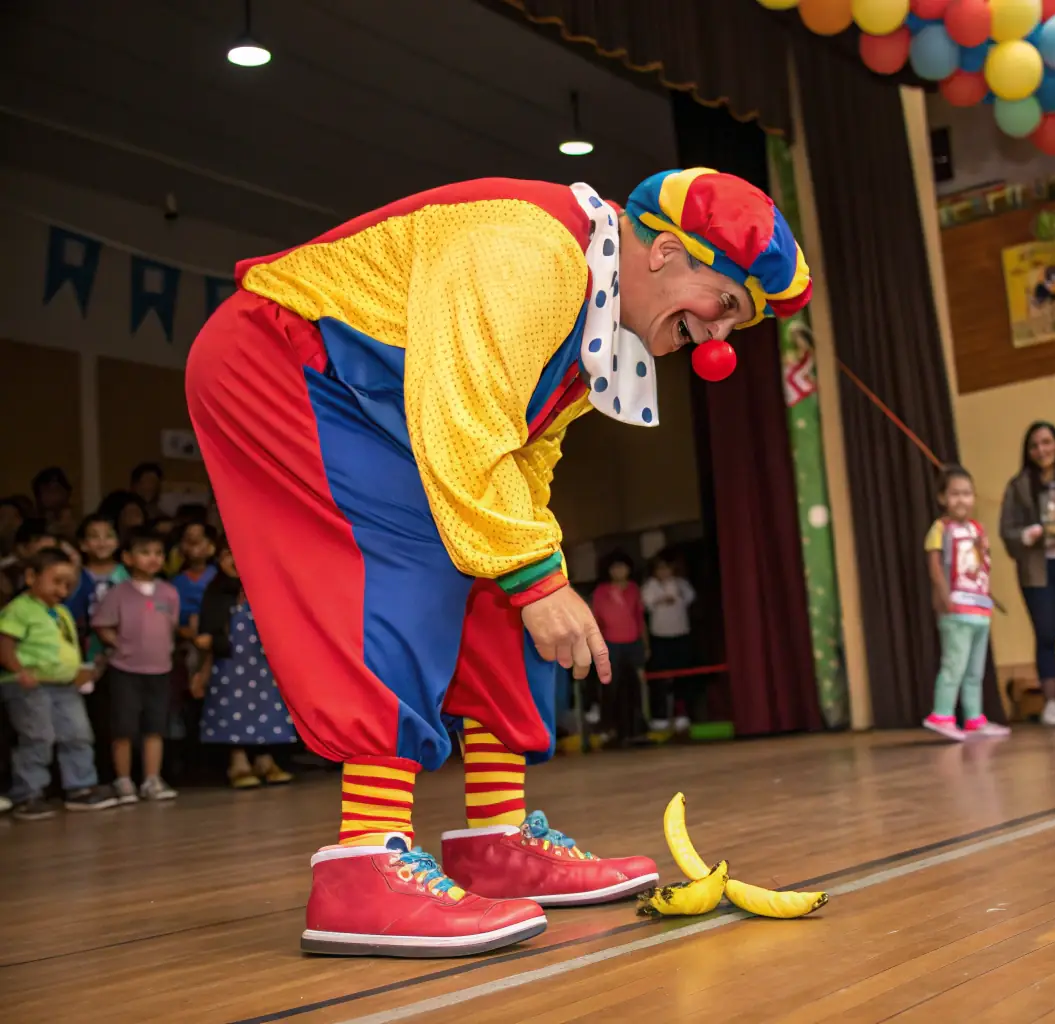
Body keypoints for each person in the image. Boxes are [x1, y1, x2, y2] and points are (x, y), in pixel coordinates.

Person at [184, 168, 811, 956]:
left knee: (506, 577)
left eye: (735, 326)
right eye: (724, 306)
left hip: (385, 401)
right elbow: (466, 421)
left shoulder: (589, 325)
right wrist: (534, 575)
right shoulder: (533, 251)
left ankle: (496, 839)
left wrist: (535, 572)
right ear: (664, 253)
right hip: (284, 357)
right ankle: (362, 868)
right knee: (414, 559)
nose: (718, 341)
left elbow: (522, 460)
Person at [0, 548, 118, 820]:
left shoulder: (61, 612)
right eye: (56, 582)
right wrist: (18, 670)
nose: (62, 590)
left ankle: (80, 787)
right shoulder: (19, 609)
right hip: (30, 684)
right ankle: (28, 793)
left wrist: (78, 670)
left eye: (68, 585)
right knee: (37, 736)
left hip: (64, 685)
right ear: (31, 577)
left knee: (77, 733)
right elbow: (5, 643)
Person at [999, 422, 1055, 726]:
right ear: (1028, 451)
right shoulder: (1018, 486)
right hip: (1038, 571)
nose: (1042, 450)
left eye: (1047, 442)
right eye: (1035, 445)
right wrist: (1026, 536)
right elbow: (1007, 530)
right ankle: (1051, 703)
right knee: (1046, 634)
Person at [191, 540, 295, 787]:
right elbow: (206, 633)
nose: (236, 560)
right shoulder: (216, 592)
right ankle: (237, 762)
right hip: (228, 664)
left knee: (265, 708)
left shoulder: (264, 588)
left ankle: (264, 759)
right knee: (232, 708)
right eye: (229, 555)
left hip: (262, 664)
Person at [92, 527, 180, 803]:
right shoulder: (118, 592)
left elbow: (172, 625)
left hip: (160, 669)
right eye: (145, 552)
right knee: (123, 726)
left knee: (156, 726)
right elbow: (102, 624)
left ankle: (152, 779)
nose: (153, 558)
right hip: (126, 670)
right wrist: (120, 645)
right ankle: (124, 780)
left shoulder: (169, 592)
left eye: (158, 553)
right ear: (128, 558)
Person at [922, 466, 1010, 742]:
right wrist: (943, 595)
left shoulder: (977, 529)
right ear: (942, 498)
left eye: (967, 494)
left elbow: (981, 564)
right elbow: (935, 565)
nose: (962, 500)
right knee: (954, 665)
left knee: (975, 671)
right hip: (956, 610)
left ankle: (974, 718)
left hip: (979, 609)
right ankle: (942, 714)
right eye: (955, 494)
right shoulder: (940, 528)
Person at [592, 552, 648, 744]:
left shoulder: (633, 589)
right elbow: (596, 620)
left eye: (622, 567)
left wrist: (645, 645)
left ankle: (635, 729)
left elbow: (640, 619)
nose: (619, 571)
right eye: (615, 567)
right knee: (611, 688)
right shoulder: (601, 591)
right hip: (610, 644)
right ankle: (610, 728)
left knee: (634, 687)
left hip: (633, 643)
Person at [641, 555, 698, 734]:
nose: (664, 572)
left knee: (683, 676)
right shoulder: (649, 586)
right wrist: (661, 599)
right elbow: (645, 604)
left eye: (667, 568)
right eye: (660, 569)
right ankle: (660, 716)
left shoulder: (681, 584)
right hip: (659, 637)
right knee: (659, 678)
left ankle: (682, 713)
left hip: (681, 634)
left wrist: (676, 591)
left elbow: (690, 597)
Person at [65, 514, 129, 649]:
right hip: (84, 647)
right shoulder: (78, 575)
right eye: (94, 536)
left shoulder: (127, 574)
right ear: (83, 544)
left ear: (118, 541)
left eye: (109, 536)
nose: (102, 542)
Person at [32, 466, 75, 539]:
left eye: (55, 489)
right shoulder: (35, 522)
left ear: (66, 492)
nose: (50, 495)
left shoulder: (76, 521)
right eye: (46, 490)